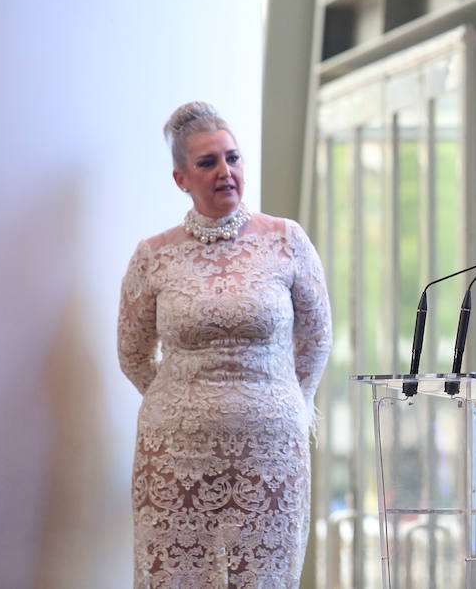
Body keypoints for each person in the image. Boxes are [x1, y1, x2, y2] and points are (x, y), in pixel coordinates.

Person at [118, 101, 332, 588]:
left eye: (232, 158)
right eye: (207, 163)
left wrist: (286, 404)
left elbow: (317, 338)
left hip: (271, 452)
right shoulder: (153, 255)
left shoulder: (286, 240)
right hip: (174, 455)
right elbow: (132, 353)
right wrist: (184, 404)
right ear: (181, 179)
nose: (225, 172)